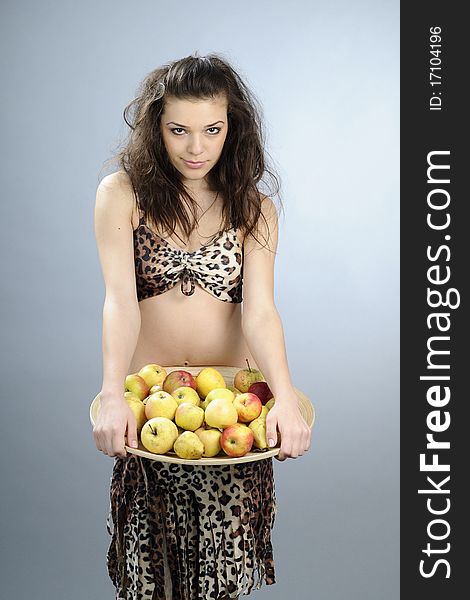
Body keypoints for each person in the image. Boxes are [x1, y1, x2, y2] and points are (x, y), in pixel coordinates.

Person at [93, 52, 312, 600]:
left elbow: (260, 310)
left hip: (232, 412)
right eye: (179, 130)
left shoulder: (254, 207)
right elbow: (120, 303)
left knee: (218, 577)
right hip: (151, 410)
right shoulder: (122, 195)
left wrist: (284, 397)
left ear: (231, 128)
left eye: (212, 130)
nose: (196, 148)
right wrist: (110, 393)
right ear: (156, 129)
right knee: (152, 577)